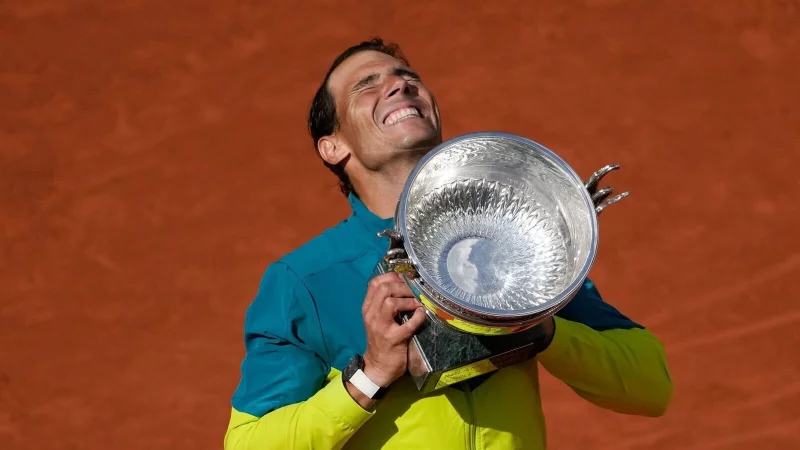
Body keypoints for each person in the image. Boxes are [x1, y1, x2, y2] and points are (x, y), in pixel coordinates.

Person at [224, 37, 673, 450]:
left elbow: (651, 386)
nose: (399, 85)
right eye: (367, 85)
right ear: (333, 147)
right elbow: (248, 443)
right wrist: (373, 374)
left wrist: (535, 327)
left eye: (408, 77)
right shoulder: (305, 280)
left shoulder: (505, 243)